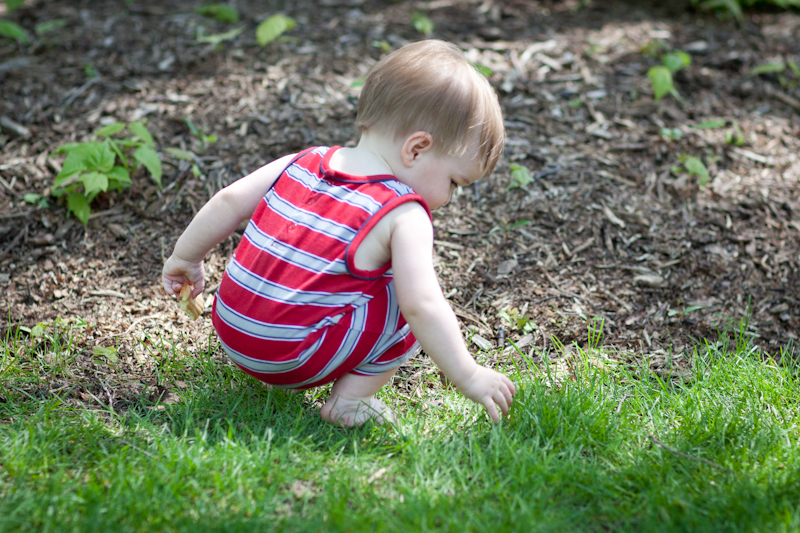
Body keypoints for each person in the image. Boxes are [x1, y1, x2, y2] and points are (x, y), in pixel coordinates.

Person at [162, 39, 515, 427]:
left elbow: (228, 201)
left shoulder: (306, 159)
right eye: (454, 182)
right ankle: (350, 401)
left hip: (231, 329)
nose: (447, 198)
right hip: (287, 356)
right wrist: (469, 375)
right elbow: (423, 306)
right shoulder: (404, 211)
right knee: (407, 293)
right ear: (416, 148)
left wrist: (184, 258)